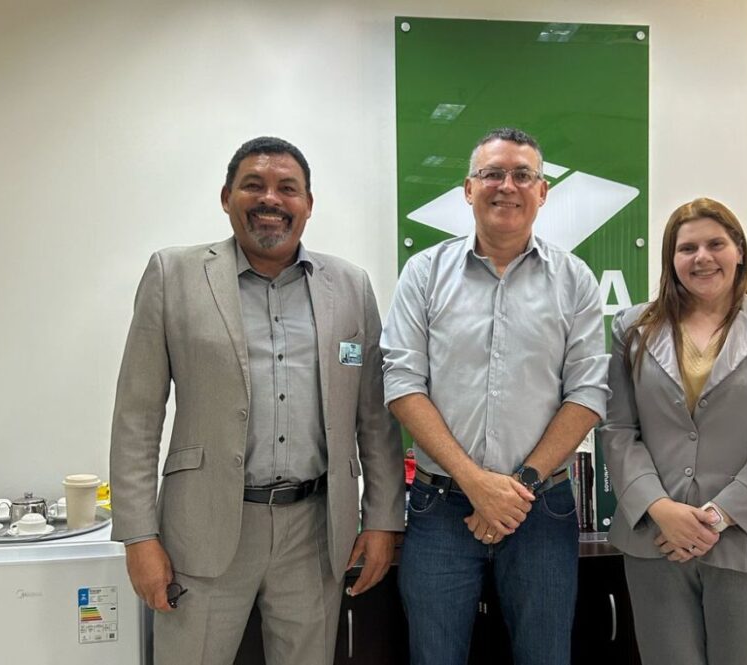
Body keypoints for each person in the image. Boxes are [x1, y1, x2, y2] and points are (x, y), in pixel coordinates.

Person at [109, 136, 404, 665]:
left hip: (316, 533)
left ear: (308, 204)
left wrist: (381, 519)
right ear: (227, 197)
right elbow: (137, 416)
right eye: (254, 185)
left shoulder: (351, 286)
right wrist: (138, 536)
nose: (271, 198)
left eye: (287, 188)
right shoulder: (173, 275)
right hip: (201, 530)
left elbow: (374, 419)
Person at [381, 127, 610, 665]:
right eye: (492, 174)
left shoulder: (574, 279)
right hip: (440, 507)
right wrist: (475, 482)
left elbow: (587, 394)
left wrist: (517, 488)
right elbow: (403, 384)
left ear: (543, 191)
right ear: (468, 189)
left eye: (522, 175)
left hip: (540, 509)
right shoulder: (424, 273)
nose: (507, 186)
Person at [603, 197, 747, 665]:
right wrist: (660, 508)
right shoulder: (632, 328)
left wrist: (717, 516)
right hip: (656, 539)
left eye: (715, 244)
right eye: (687, 248)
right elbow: (619, 430)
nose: (701, 257)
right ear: (671, 259)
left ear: (739, 250)